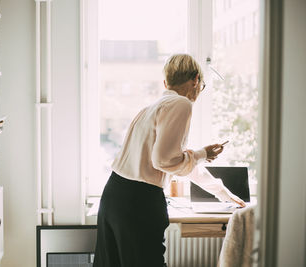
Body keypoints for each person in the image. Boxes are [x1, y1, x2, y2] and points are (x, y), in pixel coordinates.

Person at [93, 54, 246, 267]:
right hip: (139, 201)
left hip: (113, 197)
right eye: (201, 86)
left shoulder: (150, 109)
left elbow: (180, 162)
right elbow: (165, 161)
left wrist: (223, 193)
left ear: (166, 83)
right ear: (195, 81)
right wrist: (203, 153)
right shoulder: (181, 104)